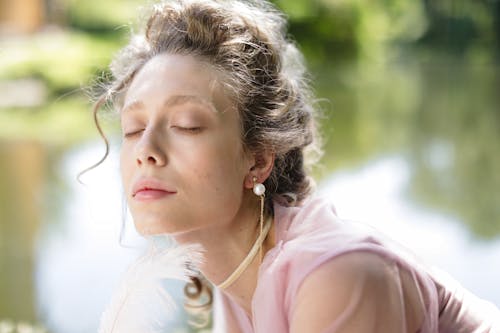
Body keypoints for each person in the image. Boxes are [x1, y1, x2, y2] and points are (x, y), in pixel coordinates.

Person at [91, 0, 500, 332]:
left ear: (259, 158)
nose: (146, 150)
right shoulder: (231, 284)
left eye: (186, 125)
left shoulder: (338, 273)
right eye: (132, 128)